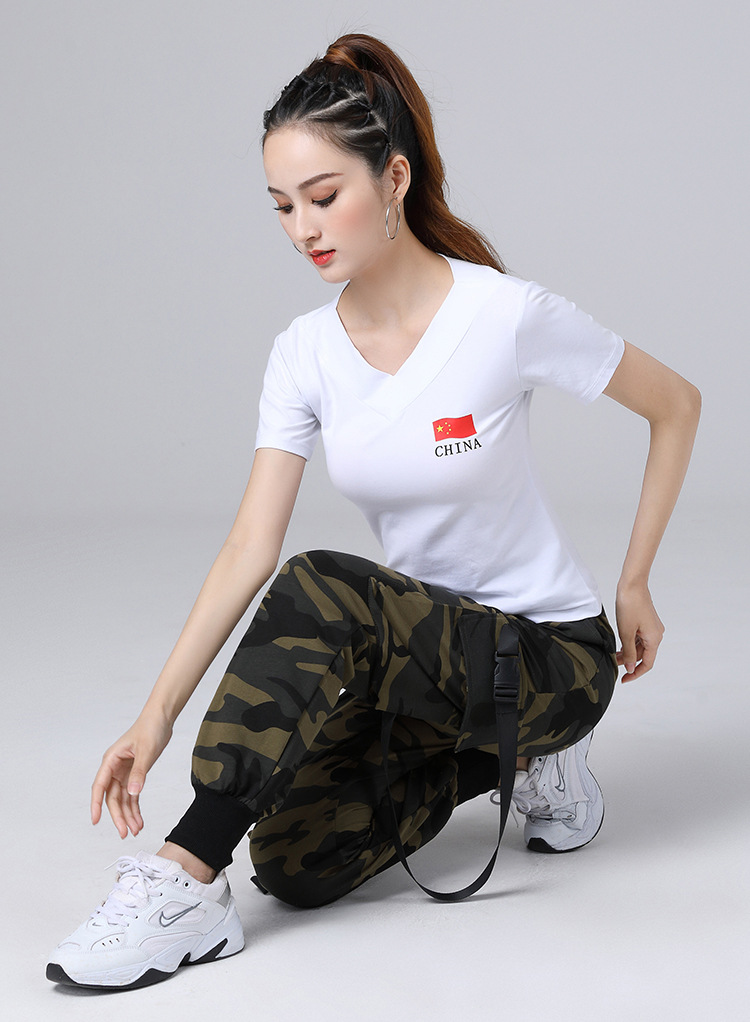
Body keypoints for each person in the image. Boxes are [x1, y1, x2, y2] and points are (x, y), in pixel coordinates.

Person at [47, 34, 700, 990]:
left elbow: (676, 404)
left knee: (324, 583)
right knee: (294, 864)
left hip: (549, 657)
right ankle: (519, 766)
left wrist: (634, 581)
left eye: (323, 197)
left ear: (393, 178)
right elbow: (248, 544)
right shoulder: (304, 353)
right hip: (422, 662)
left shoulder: (503, 314)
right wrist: (154, 718)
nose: (302, 229)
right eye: (282, 206)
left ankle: (182, 878)